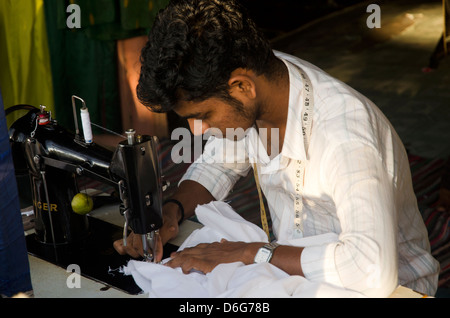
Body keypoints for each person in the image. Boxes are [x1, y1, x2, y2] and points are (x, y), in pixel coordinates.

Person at [113, 0, 439, 297]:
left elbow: (371, 271)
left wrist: (248, 252)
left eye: (203, 116)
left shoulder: (344, 135)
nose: (196, 130)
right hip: (299, 274)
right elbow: (218, 164)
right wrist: (171, 212)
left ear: (243, 87)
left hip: (395, 289)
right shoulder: (263, 84)